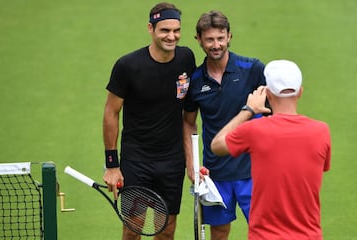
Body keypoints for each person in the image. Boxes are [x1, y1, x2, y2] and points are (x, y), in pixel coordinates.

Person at [102, 2, 196, 240]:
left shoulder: (186, 58)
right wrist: (112, 164)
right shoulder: (128, 66)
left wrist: (191, 159)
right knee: (133, 229)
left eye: (176, 30)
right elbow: (111, 113)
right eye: (164, 30)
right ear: (151, 29)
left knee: (167, 231)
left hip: (172, 161)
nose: (171, 36)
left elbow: (189, 114)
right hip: (137, 160)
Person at [211, 59, 331, 240]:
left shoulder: (254, 131)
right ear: (300, 92)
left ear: (267, 93)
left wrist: (249, 110)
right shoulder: (321, 131)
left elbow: (217, 145)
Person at [183, 10, 266, 240]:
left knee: (264, 232)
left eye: (220, 38)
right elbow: (189, 123)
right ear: (198, 39)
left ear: (229, 36)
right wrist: (191, 164)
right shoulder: (196, 81)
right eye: (209, 39)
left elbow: (274, 114)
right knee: (219, 233)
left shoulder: (253, 70)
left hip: (253, 173)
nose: (216, 45)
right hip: (215, 174)